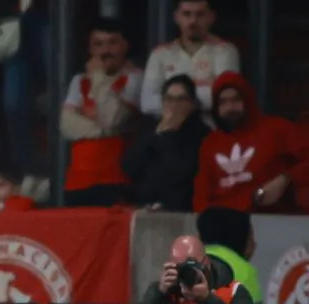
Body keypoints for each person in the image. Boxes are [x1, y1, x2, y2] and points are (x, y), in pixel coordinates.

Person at [193, 71, 309, 213]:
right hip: (224, 223)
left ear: (247, 99)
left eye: (236, 100)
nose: (230, 108)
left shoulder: (277, 129)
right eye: (223, 102)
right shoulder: (209, 144)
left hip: (272, 218)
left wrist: (285, 179)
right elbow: (201, 196)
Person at [60, 18, 142, 207]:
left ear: (125, 46)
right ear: (91, 50)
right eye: (99, 44)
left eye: (112, 43)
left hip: (116, 179)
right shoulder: (79, 80)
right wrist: (101, 130)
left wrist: (98, 79)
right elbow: (66, 126)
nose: (105, 51)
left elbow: (112, 119)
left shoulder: (134, 78)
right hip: (77, 180)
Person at [122, 74, 210, 211]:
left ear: (192, 104)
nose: (174, 105)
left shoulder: (202, 134)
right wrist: (157, 135)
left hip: (182, 209)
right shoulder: (151, 129)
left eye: (181, 99)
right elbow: (130, 167)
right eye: (169, 99)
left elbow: (182, 173)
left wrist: (169, 135)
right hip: (146, 207)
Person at [140, 0, 239, 119]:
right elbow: (147, 103)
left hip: (212, 130)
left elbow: (225, 98)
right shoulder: (160, 54)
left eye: (200, 14)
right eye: (187, 14)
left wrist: (172, 99)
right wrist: (200, 97)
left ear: (211, 17)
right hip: (170, 131)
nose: (193, 21)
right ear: (176, 17)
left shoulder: (225, 51)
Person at [141, 235, 252, 304]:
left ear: (207, 263)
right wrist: (159, 293)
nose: (185, 272)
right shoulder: (164, 291)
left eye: (190, 265)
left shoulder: (234, 292)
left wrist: (207, 299)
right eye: (179, 267)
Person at [196, 207, 261, 303]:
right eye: (250, 237)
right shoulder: (245, 271)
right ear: (240, 238)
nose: (255, 244)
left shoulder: (187, 260)